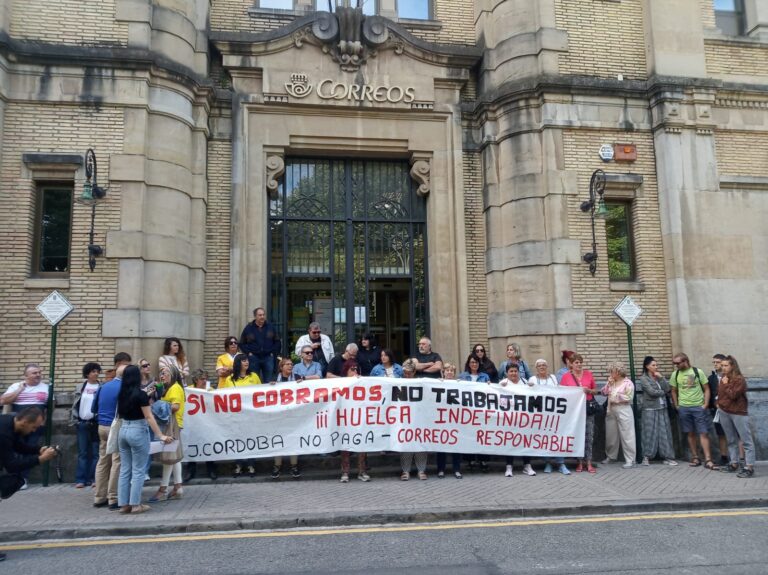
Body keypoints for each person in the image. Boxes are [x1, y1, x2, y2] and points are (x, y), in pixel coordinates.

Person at [116, 365, 172, 514]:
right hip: (138, 430)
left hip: (123, 430)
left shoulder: (121, 394)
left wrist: (145, 395)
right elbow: (148, 416)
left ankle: (123, 504)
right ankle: (135, 504)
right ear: (137, 377)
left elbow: (131, 404)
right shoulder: (140, 395)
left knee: (125, 469)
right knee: (139, 470)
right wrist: (160, 435)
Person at [1, 364, 51, 484]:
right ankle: (13, 478)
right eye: (34, 373)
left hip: (33, 423)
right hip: (16, 425)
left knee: (26, 447)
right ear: (26, 376)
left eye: (39, 372)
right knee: (13, 455)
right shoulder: (16, 386)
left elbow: (50, 406)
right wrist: (20, 390)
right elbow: (3, 400)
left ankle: (22, 479)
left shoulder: (46, 387)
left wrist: (38, 450)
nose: (38, 375)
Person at [669, 353, 715, 469]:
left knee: (703, 432)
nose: (676, 365)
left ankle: (708, 459)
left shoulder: (697, 372)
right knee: (690, 433)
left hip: (698, 407)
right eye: (674, 364)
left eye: (678, 363)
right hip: (684, 408)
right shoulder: (675, 374)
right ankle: (695, 457)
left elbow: (707, 388)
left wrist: (705, 404)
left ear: (685, 361)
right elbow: (673, 390)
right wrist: (677, 405)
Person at [220, 354, 261, 477]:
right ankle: (238, 465)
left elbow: (261, 392)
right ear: (238, 363)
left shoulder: (254, 376)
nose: (246, 362)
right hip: (236, 415)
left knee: (251, 439)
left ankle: (251, 465)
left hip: (251, 415)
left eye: (247, 360)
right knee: (238, 440)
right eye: (243, 360)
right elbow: (222, 395)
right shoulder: (230, 379)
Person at [149, 365, 186, 501]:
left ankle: (163, 489)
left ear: (173, 374)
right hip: (171, 424)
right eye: (161, 373)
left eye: (165, 373)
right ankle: (178, 487)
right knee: (173, 456)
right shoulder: (169, 388)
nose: (162, 376)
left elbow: (175, 407)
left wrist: (157, 406)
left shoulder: (175, 388)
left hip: (173, 425)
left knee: (168, 457)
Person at [92, 364, 125, 509]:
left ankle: (99, 497)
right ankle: (113, 497)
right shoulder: (124, 388)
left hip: (102, 426)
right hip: (116, 426)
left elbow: (94, 408)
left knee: (103, 461)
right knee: (117, 461)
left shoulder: (103, 386)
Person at [717, 356, 756, 478]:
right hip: (724, 411)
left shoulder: (739, 379)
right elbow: (721, 395)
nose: (723, 367)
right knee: (731, 439)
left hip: (738, 412)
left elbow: (733, 395)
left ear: (732, 366)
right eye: (722, 365)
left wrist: (726, 384)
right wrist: (718, 404)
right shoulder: (723, 378)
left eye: (726, 365)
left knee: (746, 440)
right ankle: (734, 463)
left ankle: (749, 467)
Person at [530, 359, 569, 474]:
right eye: (539, 366)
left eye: (544, 365)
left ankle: (561, 463)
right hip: (540, 415)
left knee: (557, 438)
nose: (542, 367)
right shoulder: (532, 379)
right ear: (536, 368)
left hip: (554, 414)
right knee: (544, 440)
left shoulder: (553, 378)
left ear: (547, 367)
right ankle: (548, 463)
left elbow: (559, 392)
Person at [561, 354, 598, 473]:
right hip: (574, 411)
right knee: (578, 436)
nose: (579, 364)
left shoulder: (588, 374)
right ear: (571, 364)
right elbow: (562, 393)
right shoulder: (566, 377)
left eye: (580, 362)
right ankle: (580, 462)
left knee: (589, 435)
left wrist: (589, 391)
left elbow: (595, 391)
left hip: (588, 409)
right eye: (576, 362)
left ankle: (589, 462)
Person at [637, 356, 677, 466]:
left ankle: (668, 457)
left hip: (662, 407)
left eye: (656, 365)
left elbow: (668, 388)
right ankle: (646, 456)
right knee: (649, 433)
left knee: (665, 432)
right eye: (653, 365)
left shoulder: (658, 376)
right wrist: (663, 392)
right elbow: (651, 392)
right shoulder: (644, 378)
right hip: (649, 408)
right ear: (647, 366)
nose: (656, 367)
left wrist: (661, 378)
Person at [498, 363, 536, 477]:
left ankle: (527, 465)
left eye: (515, 371)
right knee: (509, 441)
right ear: (507, 373)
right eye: (511, 371)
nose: (513, 373)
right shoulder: (502, 383)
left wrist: (533, 387)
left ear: (518, 372)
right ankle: (509, 467)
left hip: (524, 419)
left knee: (525, 440)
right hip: (508, 419)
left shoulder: (525, 382)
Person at [70, 362, 101, 488]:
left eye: (97, 371)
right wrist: (75, 419)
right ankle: (81, 479)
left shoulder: (101, 387)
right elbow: (75, 404)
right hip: (82, 422)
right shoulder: (80, 387)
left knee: (95, 452)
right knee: (82, 452)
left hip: (96, 423)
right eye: (93, 371)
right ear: (87, 373)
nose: (96, 373)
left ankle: (94, 478)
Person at [183, 370, 218, 482]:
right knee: (193, 445)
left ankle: (211, 469)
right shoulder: (188, 390)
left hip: (208, 423)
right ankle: (190, 471)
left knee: (208, 445)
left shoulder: (210, 390)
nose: (205, 381)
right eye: (202, 379)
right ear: (195, 380)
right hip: (193, 423)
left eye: (206, 379)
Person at [601, 362, 637, 469]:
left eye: (612, 371)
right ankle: (611, 456)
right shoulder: (612, 382)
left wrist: (616, 396)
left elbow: (629, 397)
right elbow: (603, 392)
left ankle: (630, 459)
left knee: (627, 434)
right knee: (611, 434)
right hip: (611, 409)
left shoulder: (628, 383)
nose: (610, 373)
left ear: (618, 372)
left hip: (623, 408)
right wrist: (608, 384)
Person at [339, 360, 370, 483]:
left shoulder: (362, 382)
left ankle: (362, 471)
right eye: (352, 369)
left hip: (359, 418)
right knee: (345, 446)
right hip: (345, 419)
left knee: (362, 446)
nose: (355, 371)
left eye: (356, 369)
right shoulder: (339, 383)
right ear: (346, 370)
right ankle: (345, 472)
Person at [270, 359, 301, 479]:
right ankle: (277, 466)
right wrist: (270, 387)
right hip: (279, 415)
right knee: (278, 439)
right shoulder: (273, 379)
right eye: (288, 364)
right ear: (281, 367)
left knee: (293, 439)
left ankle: (294, 466)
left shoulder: (298, 377)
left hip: (293, 415)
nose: (291, 366)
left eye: (292, 364)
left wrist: (302, 383)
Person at [398, 359, 428, 480]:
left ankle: (421, 470)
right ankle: (405, 470)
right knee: (406, 444)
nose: (407, 375)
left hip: (419, 418)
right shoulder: (397, 383)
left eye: (409, 373)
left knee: (420, 443)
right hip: (404, 419)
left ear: (414, 372)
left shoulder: (421, 383)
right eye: (405, 372)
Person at [239, 307, 281, 384]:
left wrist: (273, 353)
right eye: (260, 315)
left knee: (269, 381)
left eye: (263, 315)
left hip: (268, 357)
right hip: (253, 358)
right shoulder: (248, 328)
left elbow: (277, 342)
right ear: (255, 316)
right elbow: (241, 343)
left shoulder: (270, 327)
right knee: (254, 380)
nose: (262, 317)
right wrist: (248, 353)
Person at [436, 363, 462, 479]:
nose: (450, 372)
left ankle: (457, 469)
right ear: (443, 372)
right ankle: (441, 469)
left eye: (452, 370)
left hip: (455, 419)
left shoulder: (460, 384)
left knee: (456, 445)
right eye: (447, 370)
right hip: (441, 419)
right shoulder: (438, 383)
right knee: (441, 445)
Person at [709, 353, 730, 465]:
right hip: (717, 410)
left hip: (731, 410)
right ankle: (724, 457)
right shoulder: (712, 378)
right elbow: (710, 393)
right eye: (714, 362)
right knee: (721, 434)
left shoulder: (731, 376)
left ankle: (740, 459)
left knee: (735, 434)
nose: (715, 364)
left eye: (717, 362)